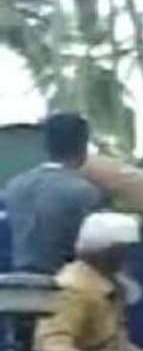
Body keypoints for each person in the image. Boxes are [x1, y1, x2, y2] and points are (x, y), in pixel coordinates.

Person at [33, 212, 143, 351]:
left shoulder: (108, 287)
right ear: (111, 251)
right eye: (129, 249)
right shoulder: (72, 290)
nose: (133, 256)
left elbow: (116, 345)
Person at [4, 112, 105, 274]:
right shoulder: (84, 192)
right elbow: (96, 251)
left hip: (19, 282)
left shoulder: (14, 186)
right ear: (83, 147)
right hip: (64, 285)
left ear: (46, 146)